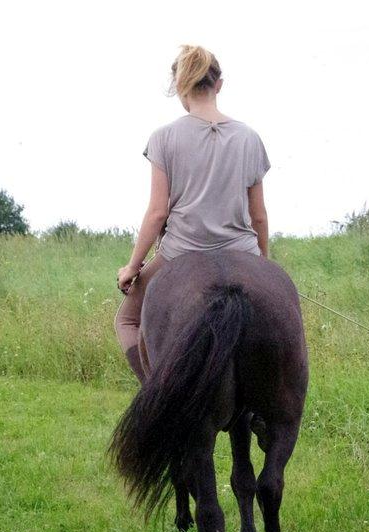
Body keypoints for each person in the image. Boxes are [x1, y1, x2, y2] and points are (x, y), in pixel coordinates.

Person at [114, 44, 271, 382]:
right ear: (219, 84)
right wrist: (264, 264)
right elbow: (258, 216)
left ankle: (158, 395)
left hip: (181, 253)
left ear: (181, 87)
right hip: (242, 253)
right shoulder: (250, 138)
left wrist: (132, 266)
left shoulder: (164, 138)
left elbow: (158, 212)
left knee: (126, 321)